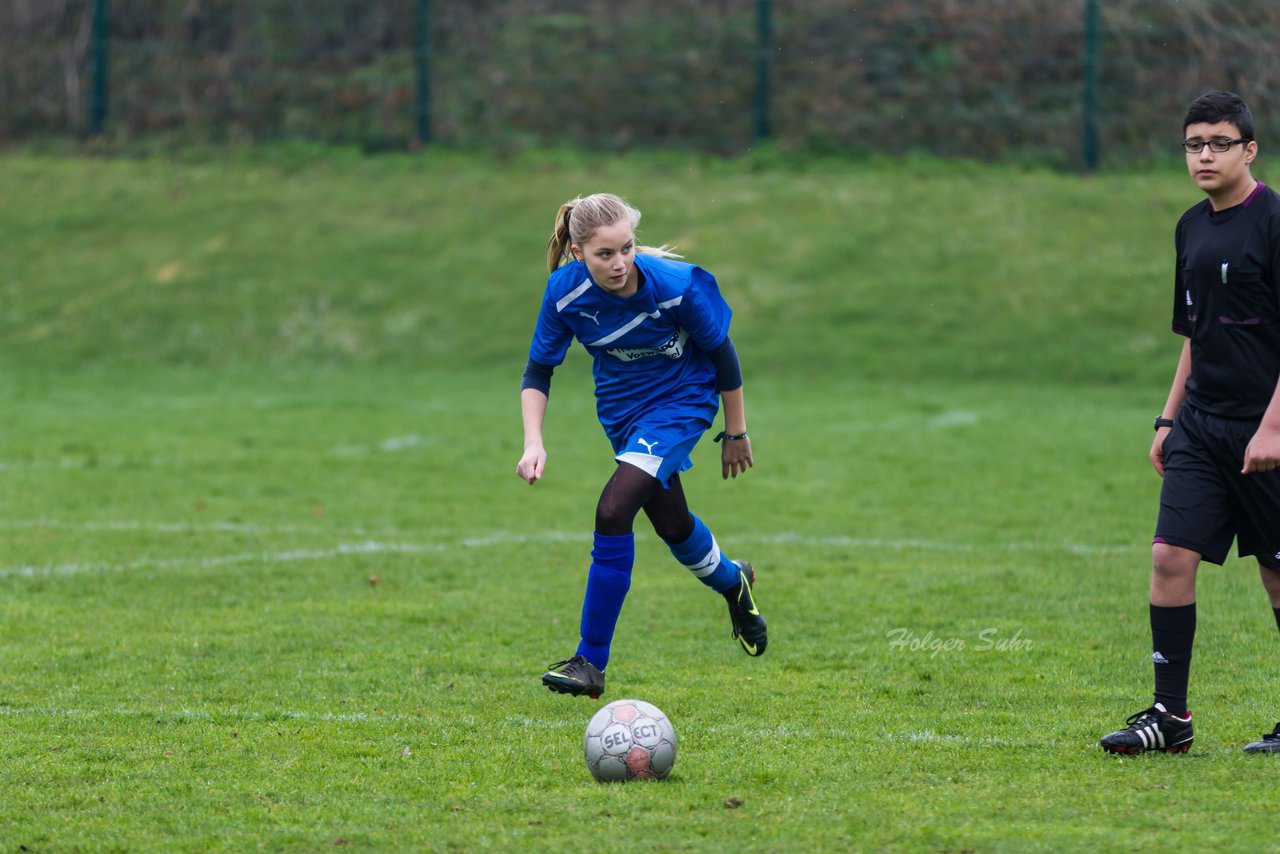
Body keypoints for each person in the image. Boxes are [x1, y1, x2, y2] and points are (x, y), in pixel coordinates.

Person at [516, 193, 767, 699]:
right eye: (604, 254)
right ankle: (732, 581)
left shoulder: (676, 288)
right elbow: (538, 370)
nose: (619, 263)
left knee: (613, 510)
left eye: (626, 248)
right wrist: (533, 441)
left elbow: (723, 354)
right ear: (579, 253)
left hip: (681, 405)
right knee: (672, 525)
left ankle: (590, 661)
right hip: (621, 412)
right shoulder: (564, 293)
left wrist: (735, 432)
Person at [1101, 90, 1280, 755]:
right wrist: (1168, 418)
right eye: (1194, 144)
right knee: (1170, 556)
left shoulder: (1273, 221)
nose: (1205, 155)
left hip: (1265, 430)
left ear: (1249, 150)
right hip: (1202, 425)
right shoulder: (1190, 226)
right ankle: (1169, 717)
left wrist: (1273, 430)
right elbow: (1194, 334)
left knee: (1277, 573)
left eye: (1219, 143)